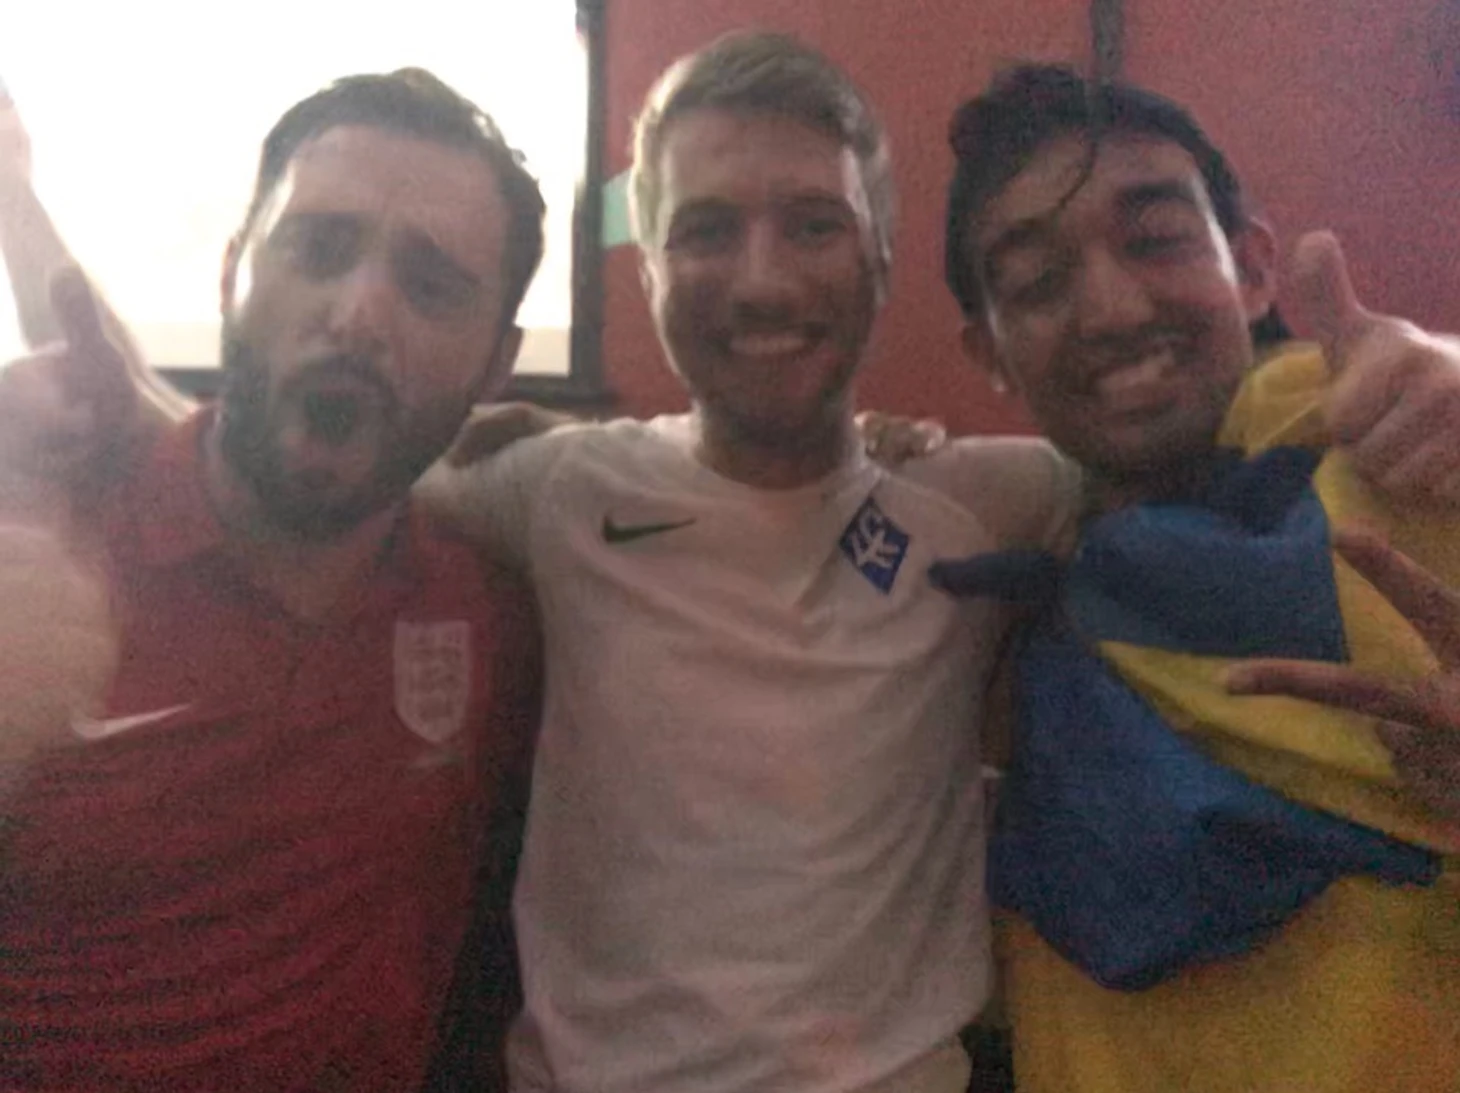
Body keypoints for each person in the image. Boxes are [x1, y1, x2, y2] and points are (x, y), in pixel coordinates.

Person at [9, 35, 1460, 1093]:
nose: (760, 278)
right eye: (705, 231)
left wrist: (1431, 356)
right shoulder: (550, 492)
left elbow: (1191, 419)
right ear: (646, 270)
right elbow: (309, 442)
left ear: (879, 263)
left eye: (812, 226)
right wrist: (69, 384)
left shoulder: (995, 495)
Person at [0, 69, 544, 1091]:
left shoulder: (491, 610)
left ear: (494, 365)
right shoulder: (37, 558)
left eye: (430, 286)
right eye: (317, 249)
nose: (360, 312)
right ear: (232, 275)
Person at [937, 63, 1460, 1093]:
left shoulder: (1409, 465)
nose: (1111, 308)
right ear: (988, 353)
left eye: (1156, 240)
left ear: (1253, 268)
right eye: (1037, 283)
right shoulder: (1003, 601)